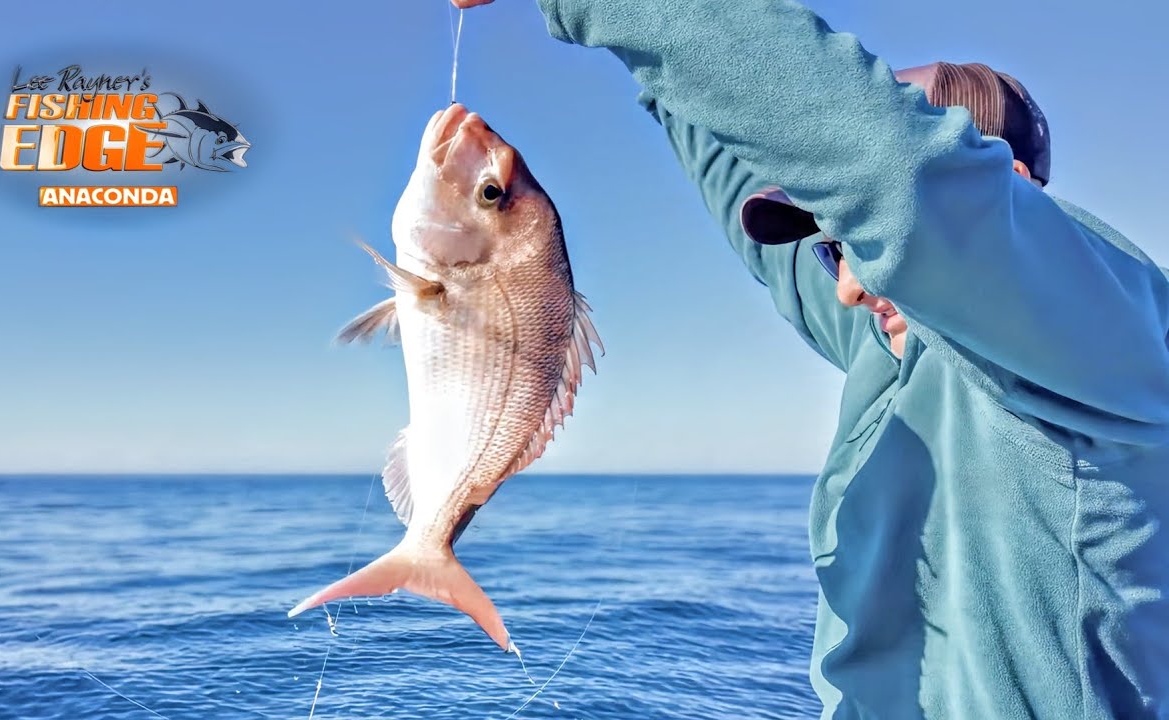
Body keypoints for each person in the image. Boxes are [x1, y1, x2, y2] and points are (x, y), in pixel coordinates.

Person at [453, 0, 1169, 718]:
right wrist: (660, 68)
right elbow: (737, 175)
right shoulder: (884, 337)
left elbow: (893, 171)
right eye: (831, 247)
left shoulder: (1096, 318)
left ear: (1008, 191)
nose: (850, 286)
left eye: (873, 241)